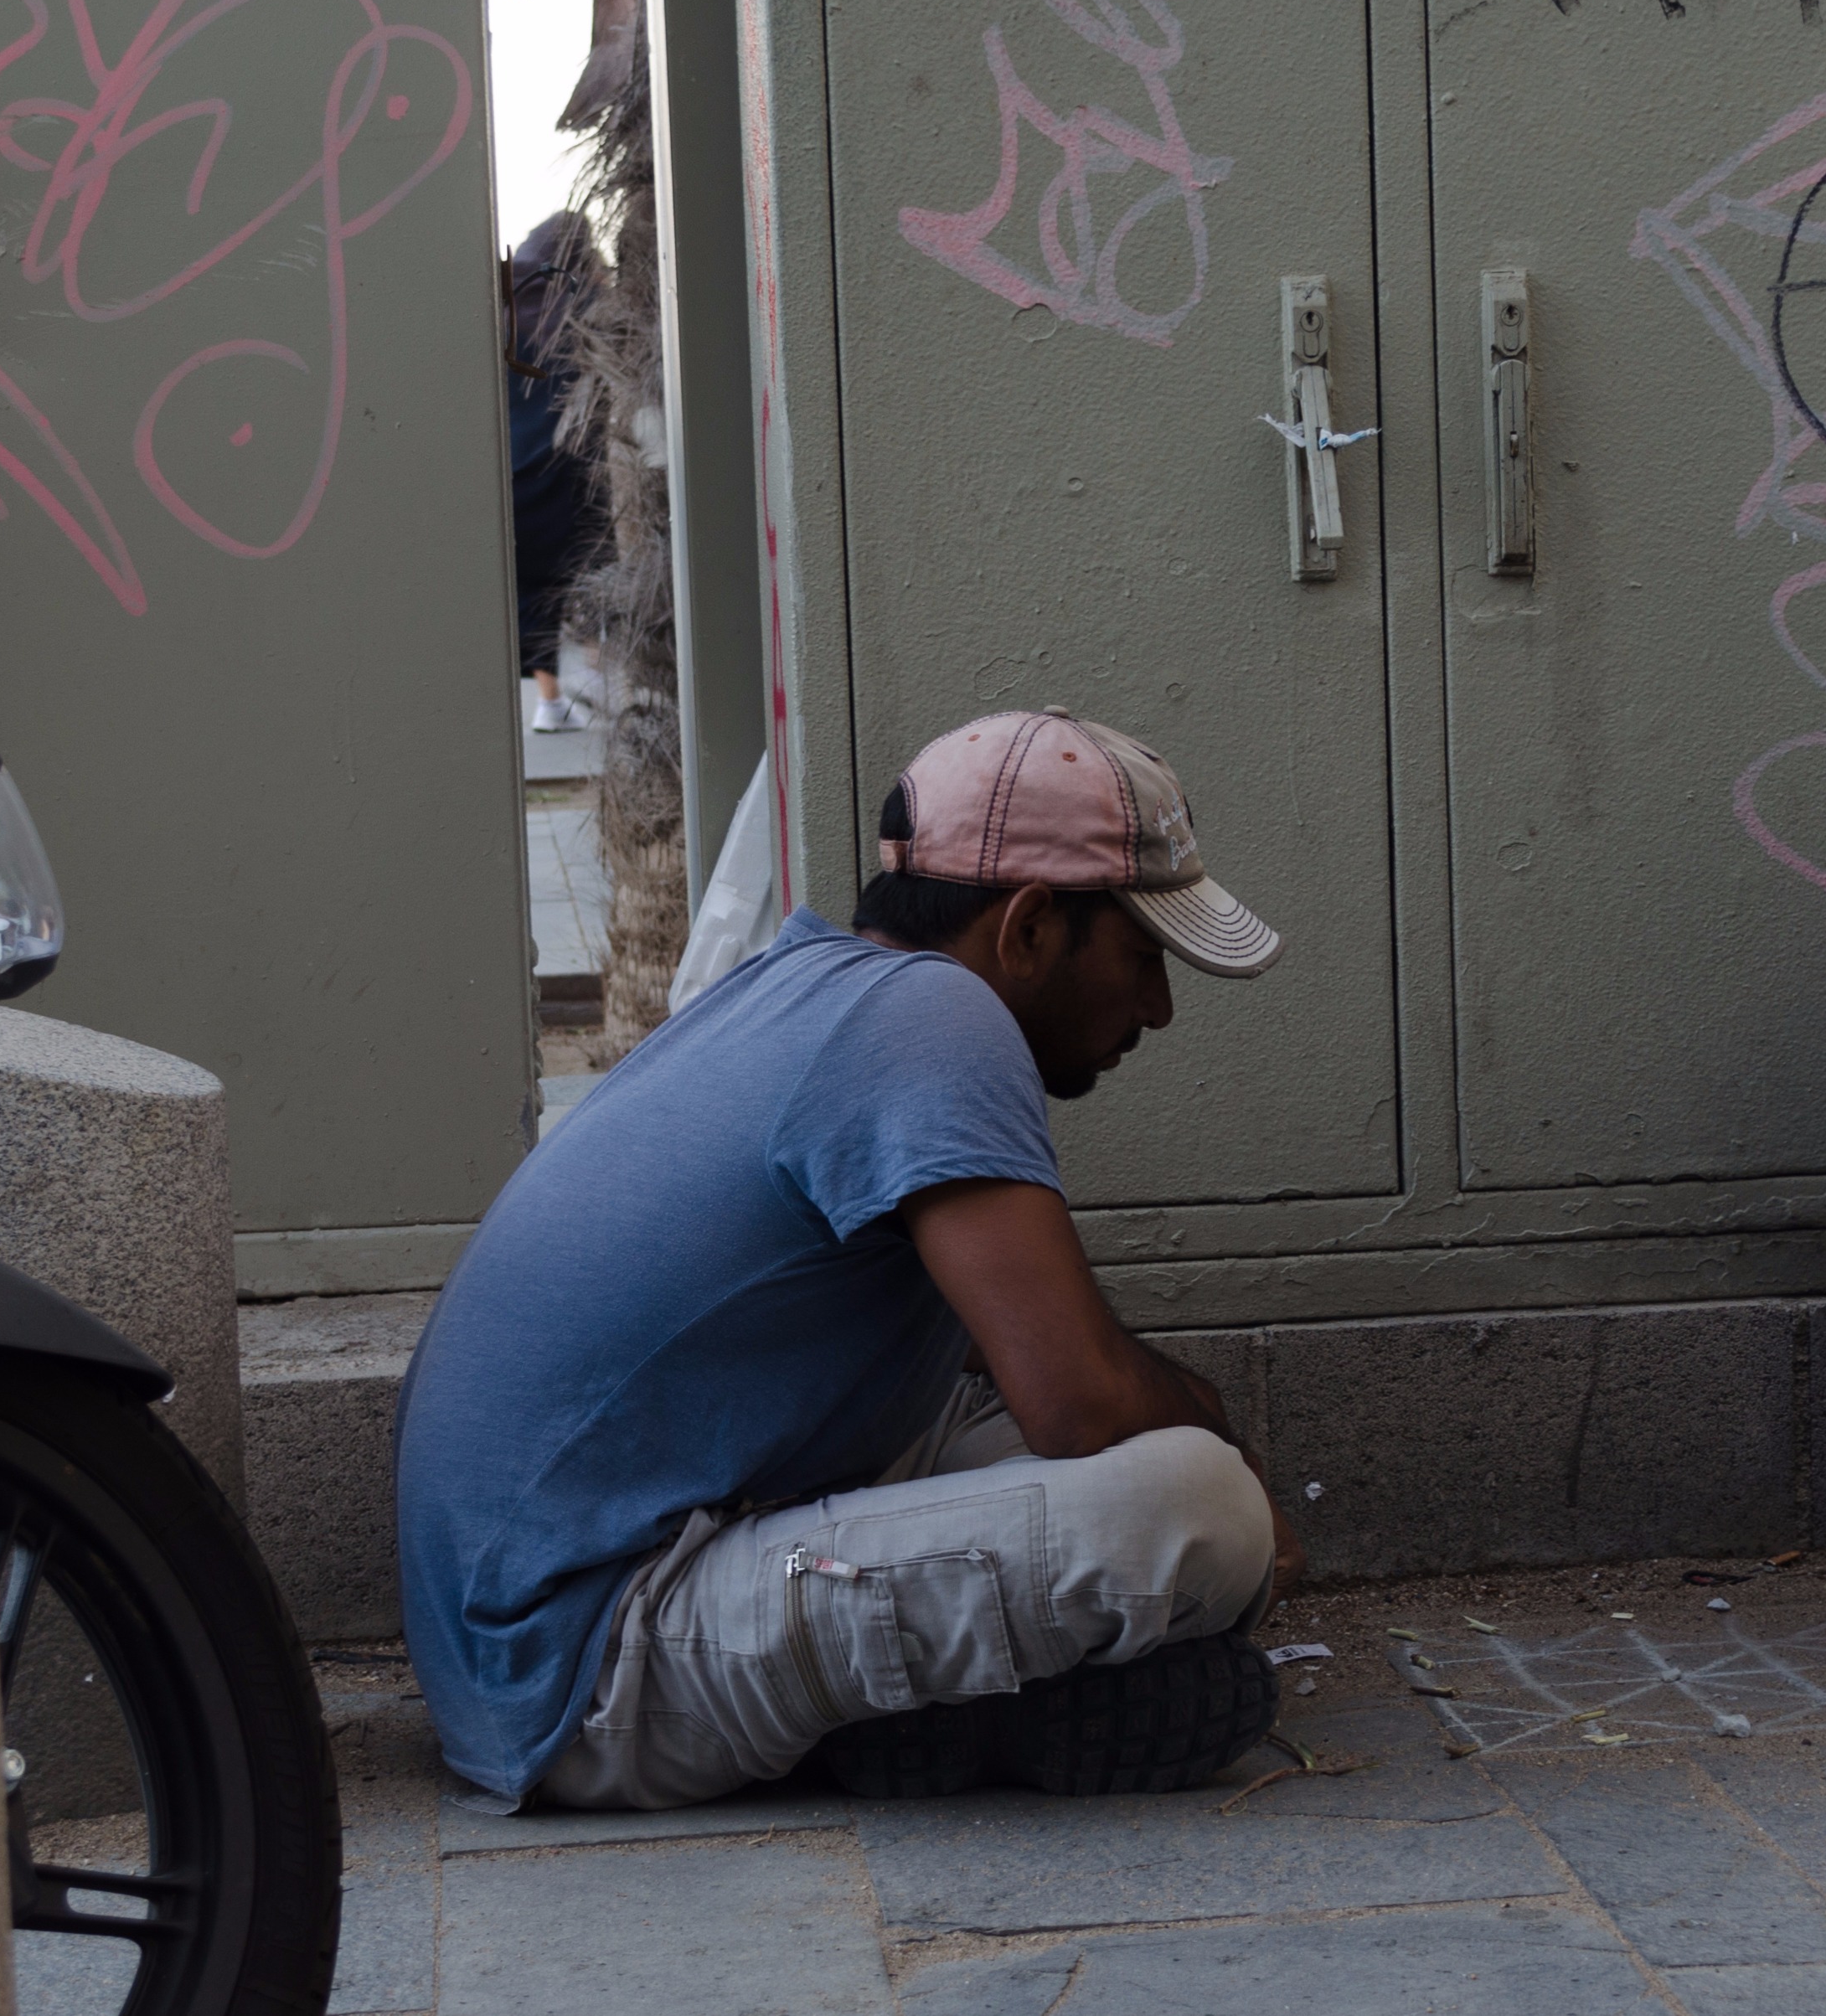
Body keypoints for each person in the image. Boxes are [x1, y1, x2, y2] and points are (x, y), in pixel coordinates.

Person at [396, 709, 1298, 1812]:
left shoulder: (809, 982)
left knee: (1075, 1434)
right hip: (590, 1671)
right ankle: (927, 1715)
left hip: (516, 1641)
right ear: (1027, 927)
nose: (1157, 1007)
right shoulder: (938, 1015)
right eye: (1143, 955)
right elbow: (1077, 1401)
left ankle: (932, 1702)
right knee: (1203, 1504)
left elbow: (1016, 1368)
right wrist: (1225, 1445)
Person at [503, 212, 597, 733]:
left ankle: (550, 702)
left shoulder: (503, 299)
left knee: (532, 590)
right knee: (592, 573)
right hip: (566, 466)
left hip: (511, 469)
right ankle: (604, 685)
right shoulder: (578, 301)